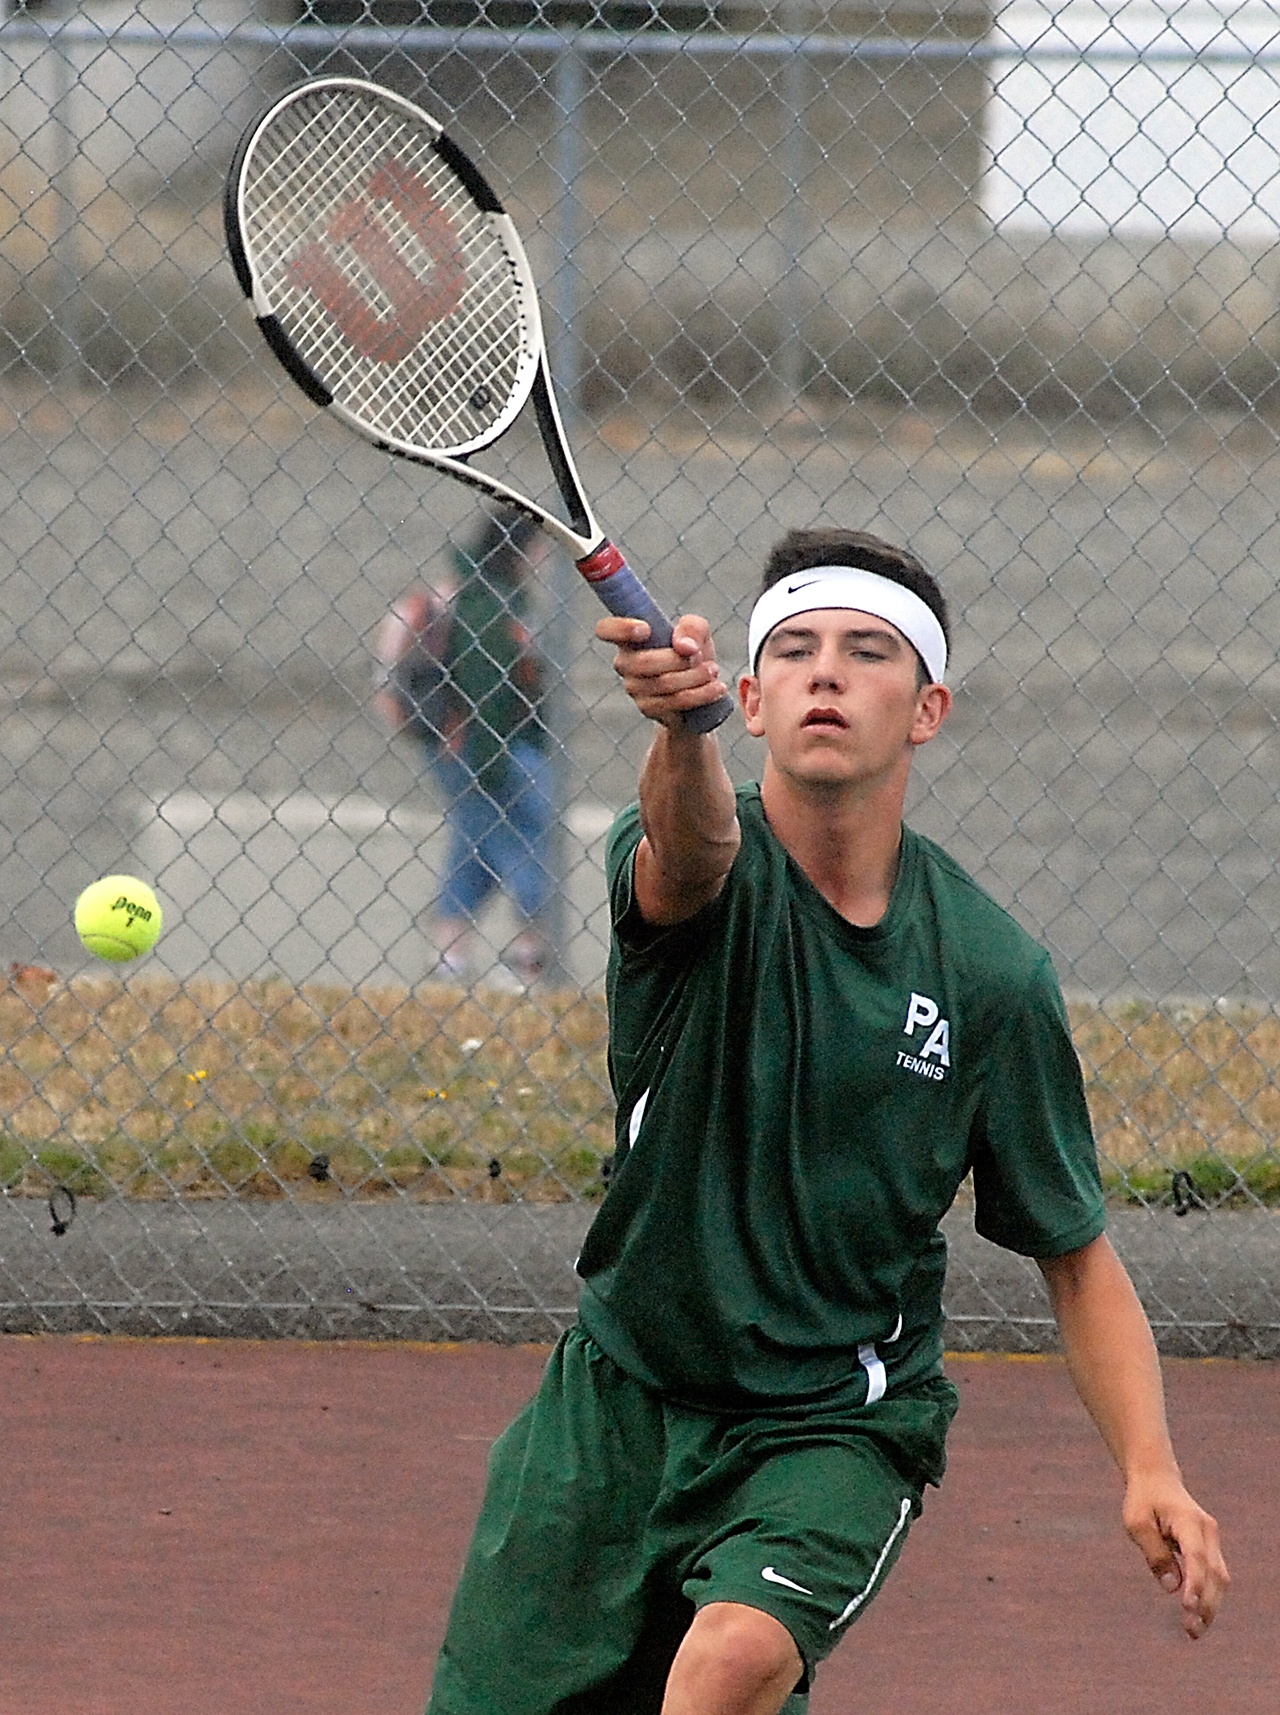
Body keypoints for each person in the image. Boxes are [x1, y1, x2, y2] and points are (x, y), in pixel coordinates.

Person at [425, 526, 1228, 1715]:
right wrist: (674, 731)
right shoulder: (698, 873)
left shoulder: (991, 974)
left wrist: (1149, 1466)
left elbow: (1072, 1251)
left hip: (828, 1425)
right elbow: (688, 849)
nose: (825, 672)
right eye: (792, 649)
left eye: (866, 651)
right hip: (610, 1402)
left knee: (729, 1663)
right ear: (748, 700)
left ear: (926, 708)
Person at [404, 510, 556, 985]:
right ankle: (527, 957)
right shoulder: (490, 602)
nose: (544, 557)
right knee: (530, 841)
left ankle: (452, 955)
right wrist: (488, 765)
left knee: (474, 845)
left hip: (471, 751)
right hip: (491, 751)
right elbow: (485, 687)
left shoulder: (479, 591)